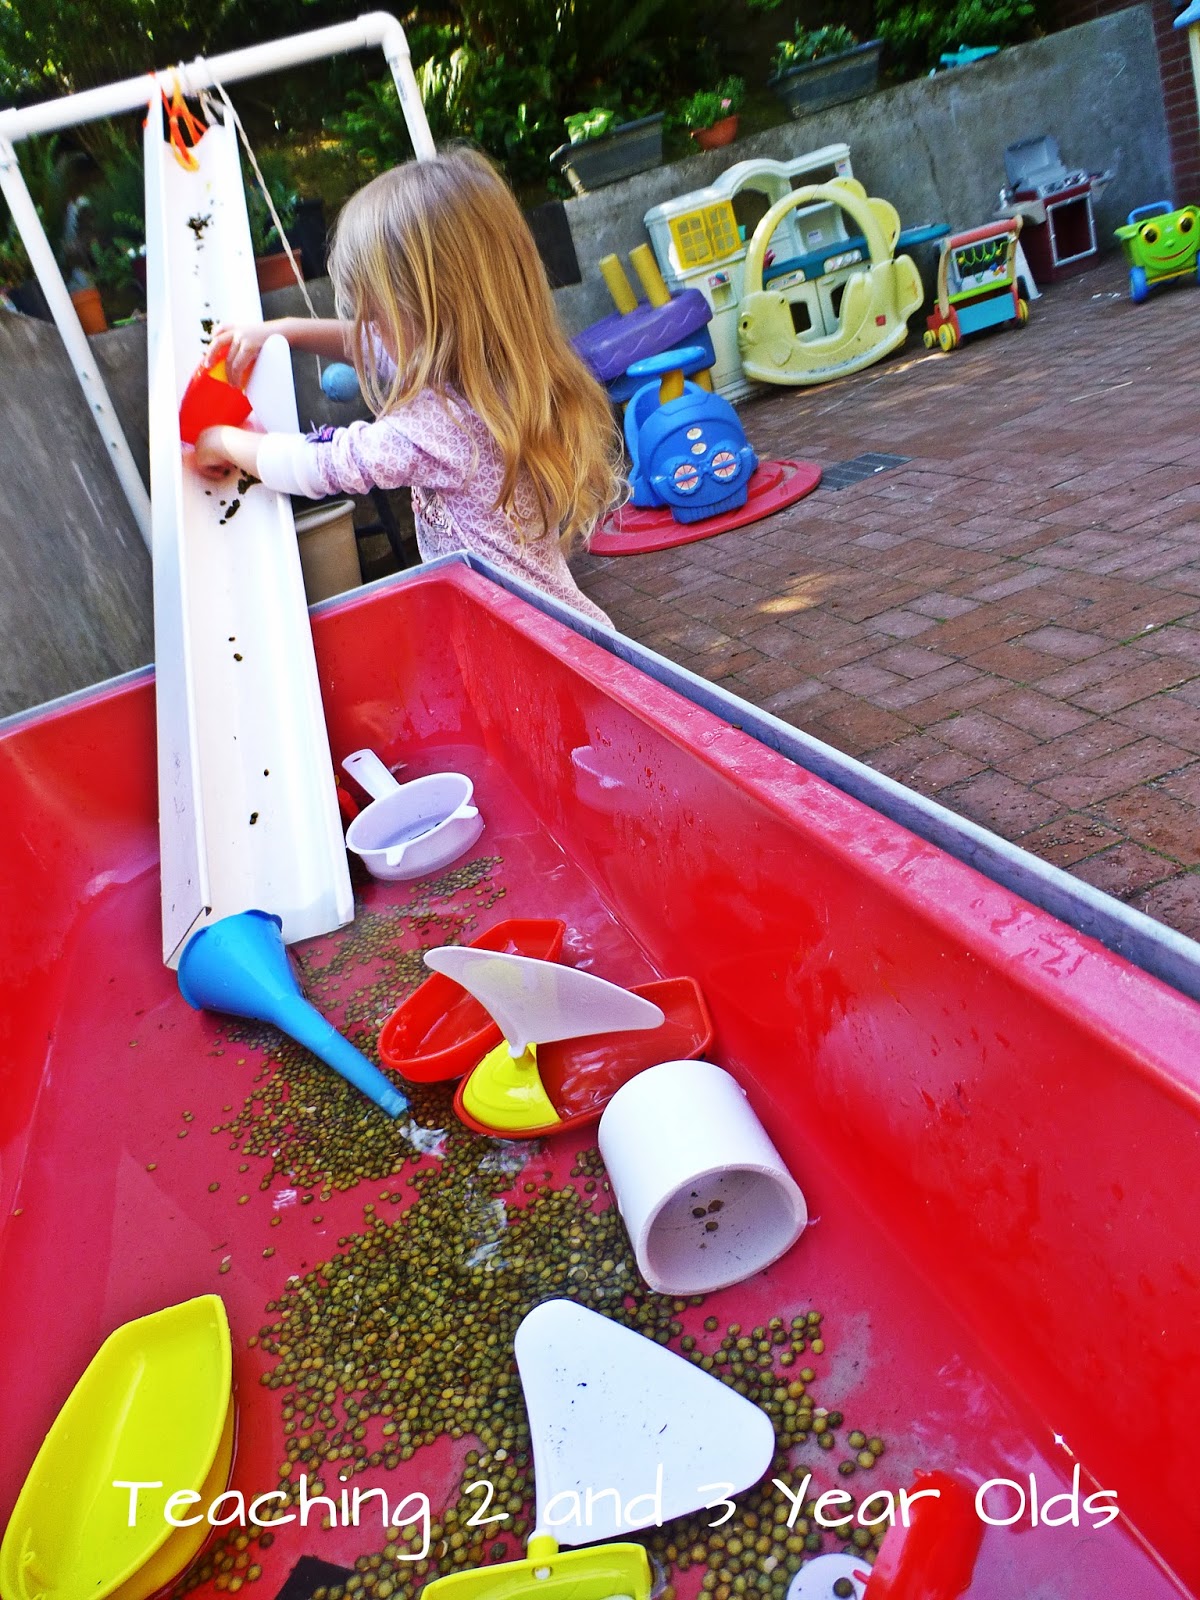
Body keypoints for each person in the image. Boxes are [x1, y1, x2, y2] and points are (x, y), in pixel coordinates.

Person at [192, 147, 621, 628]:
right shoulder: (492, 373)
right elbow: (375, 347)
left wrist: (222, 440)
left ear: (433, 313)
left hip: (533, 645)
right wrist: (286, 330)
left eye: (375, 313)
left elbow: (318, 465)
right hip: (548, 625)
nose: (367, 326)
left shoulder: (438, 423)